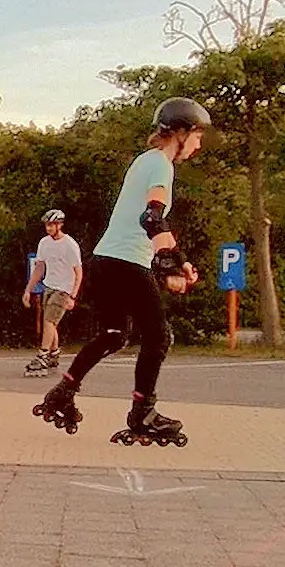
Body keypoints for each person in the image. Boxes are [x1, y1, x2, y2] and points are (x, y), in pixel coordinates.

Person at [32, 98, 207, 445]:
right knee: (159, 337)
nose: (199, 144)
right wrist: (167, 265)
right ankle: (143, 413)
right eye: (198, 135)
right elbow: (151, 218)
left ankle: (62, 393)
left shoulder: (145, 162)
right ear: (181, 132)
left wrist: (178, 258)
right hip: (127, 263)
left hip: (105, 261)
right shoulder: (161, 164)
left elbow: (149, 222)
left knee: (113, 334)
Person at [22, 209, 81, 375]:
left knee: (48, 321)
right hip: (49, 285)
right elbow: (39, 268)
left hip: (63, 289)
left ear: (60, 225)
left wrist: (73, 296)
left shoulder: (70, 245)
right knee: (51, 322)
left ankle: (43, 355)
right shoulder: (44, 243)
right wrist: (28, 289)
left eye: (52, 225)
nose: (49, 228)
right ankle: (54, 354)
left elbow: (78, 272)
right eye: (47, 225)